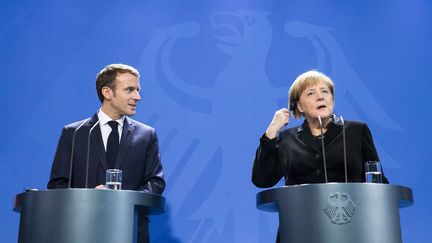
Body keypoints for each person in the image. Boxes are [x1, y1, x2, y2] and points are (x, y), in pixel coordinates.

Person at [252, 70, 388, 242]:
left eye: (325, 91)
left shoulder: (356, 131)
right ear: (299, 106)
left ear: (332, 99)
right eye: (311, 93)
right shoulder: (287, 138)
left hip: (350, 230)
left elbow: (378, 181)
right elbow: (262, 179)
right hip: (299, 230)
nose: (320, 97)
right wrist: (271, 132)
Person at [48, 63, 165, 243]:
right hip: (82, 231)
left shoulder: (146, 135)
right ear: (107, 92)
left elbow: (156, 183)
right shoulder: (75, 133)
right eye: (130, 90)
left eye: (138, 90)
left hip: (131, 231)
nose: (138, 97)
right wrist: (90, 197)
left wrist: (124, 201)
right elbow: (58, 185)